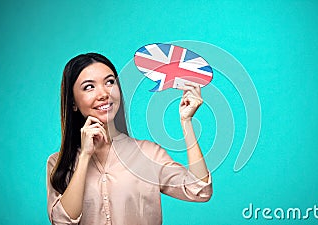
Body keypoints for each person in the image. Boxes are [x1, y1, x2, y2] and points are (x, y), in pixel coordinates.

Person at [46, 53, 212, 225]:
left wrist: (186, 121)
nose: (104, 93)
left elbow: (199, 190)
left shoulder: (149, 153)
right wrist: (85, 156)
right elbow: (61, 222)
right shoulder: (57, 163)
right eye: (89, 87)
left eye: (110, 82)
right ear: (73, 102)